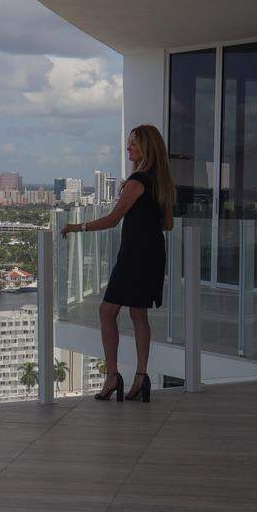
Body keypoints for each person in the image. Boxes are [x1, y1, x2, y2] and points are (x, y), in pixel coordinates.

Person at [61, 124, 175, 403]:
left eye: (133, 144)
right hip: (153, 253)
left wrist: (78, 227)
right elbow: (168, 224)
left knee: (107, 311)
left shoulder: (137, 181)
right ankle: (140, 377)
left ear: (146, 148)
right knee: (139, 314)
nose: (128, 148)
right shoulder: (161, 182)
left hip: (135, 255)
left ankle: (112, 376)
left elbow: (113, 219)